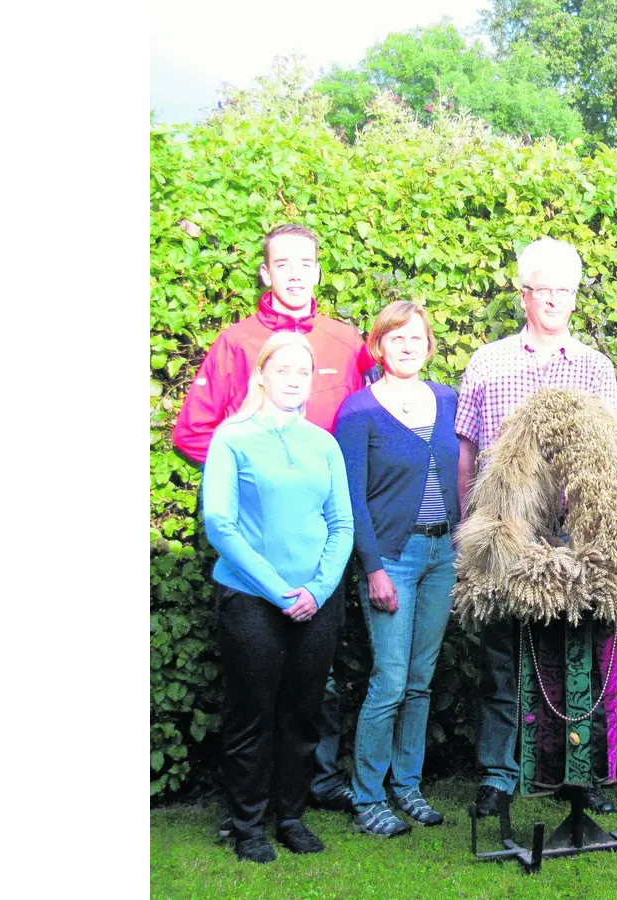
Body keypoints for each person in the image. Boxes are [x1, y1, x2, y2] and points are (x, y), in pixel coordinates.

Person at [173, 223, 373, 820]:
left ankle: (306, 793)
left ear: (317, 269)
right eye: (280, 262)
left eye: (304, 262)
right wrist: (256, 473)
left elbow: (364, 426)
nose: (293, 272)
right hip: (257, 561)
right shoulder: (237, 342)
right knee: (257, 700)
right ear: (265, 272)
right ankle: (253, 815)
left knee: (315, 692)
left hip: (324, 555)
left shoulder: (345, 340)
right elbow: (193, 432)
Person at [456, 237, 617, 820]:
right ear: (523, 294)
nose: (555, 299)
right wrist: (470, 527)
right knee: (504, 660)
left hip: (573, 533)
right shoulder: (489, 362)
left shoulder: (595, 368)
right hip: (504, 530)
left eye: (566, 290)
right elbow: (467, 452)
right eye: (544, 288)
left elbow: (611, 460)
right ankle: (500, 776)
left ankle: (579, 777)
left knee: (578, 656)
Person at [201, 331, 354, 863]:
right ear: (261, 374)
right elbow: (219, 522)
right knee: (252, 714)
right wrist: (278, 590)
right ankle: (247, 826)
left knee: (304, 714)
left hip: (316, 601)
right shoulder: (233, 438)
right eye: (283, 369)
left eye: (303, 372)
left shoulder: (324, 443)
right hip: (251, 599)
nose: (293, 379)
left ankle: (290, 817)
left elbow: (342, 524)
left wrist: (315, 590)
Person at [334, 301, 461, 838]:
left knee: (419, 679)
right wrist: (372, 569)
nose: (408, 347)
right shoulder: (359, 410)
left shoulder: (447, 399)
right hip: (393, 558)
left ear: (428, 345)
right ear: (379, 346)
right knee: (388, 680)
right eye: (396, 338)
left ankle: (407, 784)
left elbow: (465, 471)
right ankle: (368, 796)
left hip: (443, 554)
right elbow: (352, 499)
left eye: (417, 338)